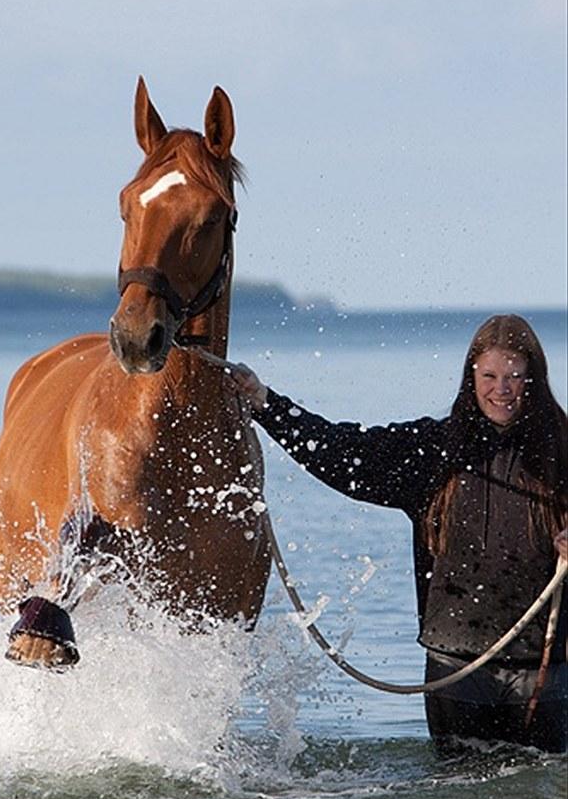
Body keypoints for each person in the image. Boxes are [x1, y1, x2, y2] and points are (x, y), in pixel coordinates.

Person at [227, 314, 567, 752]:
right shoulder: (433, 449)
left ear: (535, 381)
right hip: (454, 670)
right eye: (490, 376)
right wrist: (265, 403)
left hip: (547, 672)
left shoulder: (563, 451)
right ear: (471, 378)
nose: (501, 389)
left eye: (515, 378)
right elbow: (341, 451)